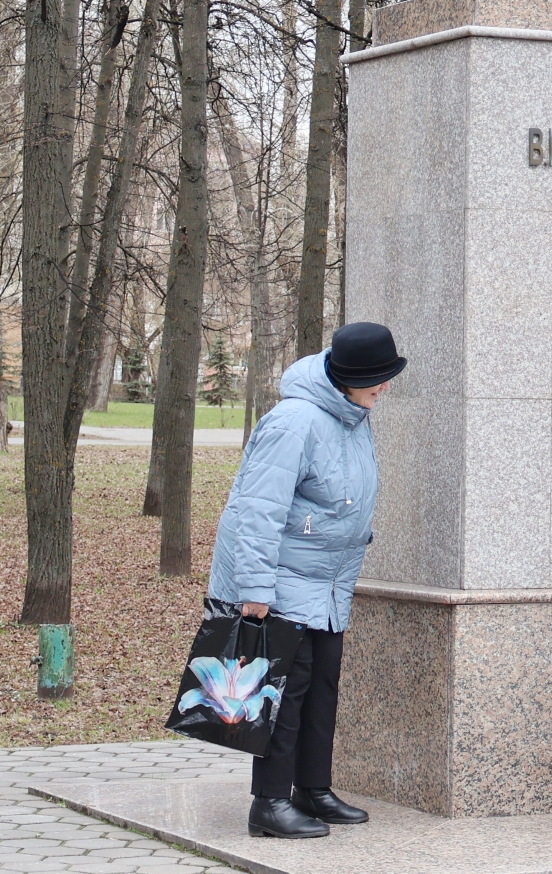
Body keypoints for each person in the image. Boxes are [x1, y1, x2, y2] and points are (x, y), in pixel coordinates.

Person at [206, 321, 403, 840]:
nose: (385, 387)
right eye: (377, 378)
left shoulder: (352, 417)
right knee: (283, 693)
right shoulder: (294, 422)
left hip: (328, 581)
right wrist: (254, 590)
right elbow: (257, 509)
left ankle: (312, 789)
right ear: (347, 377)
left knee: (321, 687)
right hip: (283, 578)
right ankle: (269, 803)